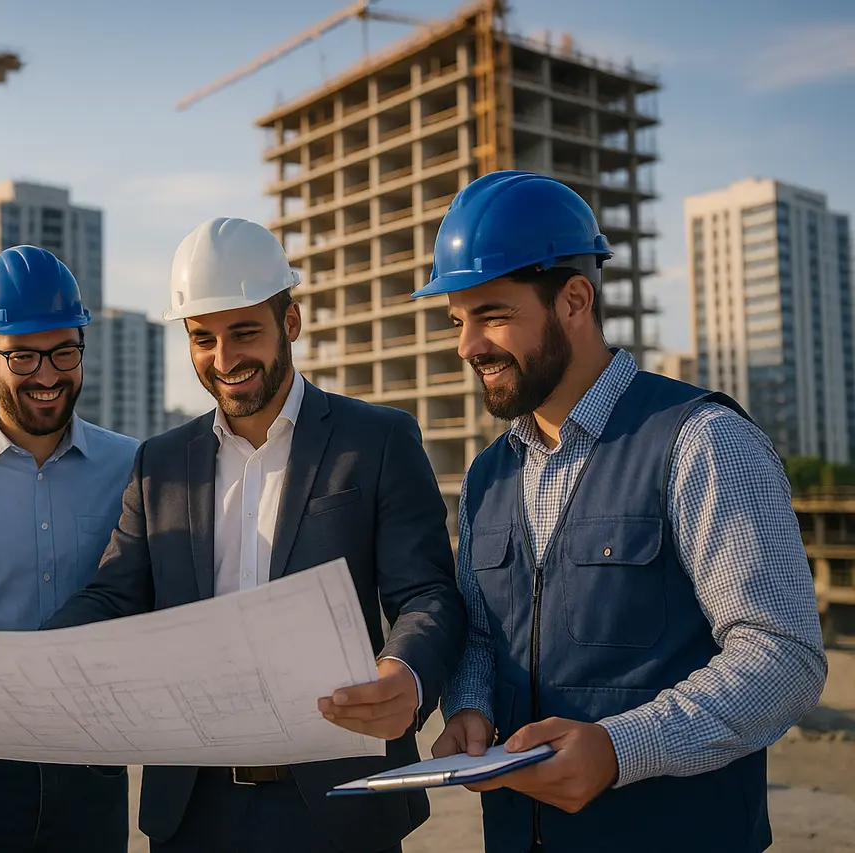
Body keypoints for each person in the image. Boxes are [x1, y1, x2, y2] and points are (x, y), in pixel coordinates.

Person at [423, 171, 829, 853]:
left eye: (491, 315)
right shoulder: (488, 476)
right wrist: (469, 703)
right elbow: (483, 635)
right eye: (458, 321)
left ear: (575, 299)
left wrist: (619, 748)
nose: (468, 345)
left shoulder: (702, 440)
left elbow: (783, 655)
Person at [42, 217, 467, 853]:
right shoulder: (159, 463)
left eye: (244, 332)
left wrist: (405, 674)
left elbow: (426, 594)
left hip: (340, 805)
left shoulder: (375, 442)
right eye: (202, 339)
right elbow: (114, 596)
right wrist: (30, 658)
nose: (224, 358)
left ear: (289, 324)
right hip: (191, 811)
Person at [0, 245, 139, 852]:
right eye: (24, 357)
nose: (48, 375)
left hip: (95, 774)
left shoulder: (133, 468)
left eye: (65, 352)